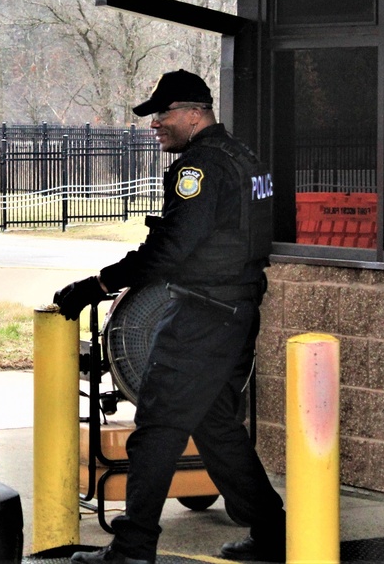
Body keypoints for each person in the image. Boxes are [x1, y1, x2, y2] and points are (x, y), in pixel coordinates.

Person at [54, 69, 286, 564]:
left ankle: (132, 549)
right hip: (238, 310)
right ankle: (273, 534)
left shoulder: (197, 169)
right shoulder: (246, 159)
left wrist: (95, 285)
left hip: (203, 315)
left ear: (195, 113)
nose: (155, 124)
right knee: (216, 427)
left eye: (163, 114)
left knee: (157, 427)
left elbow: (170, 250)